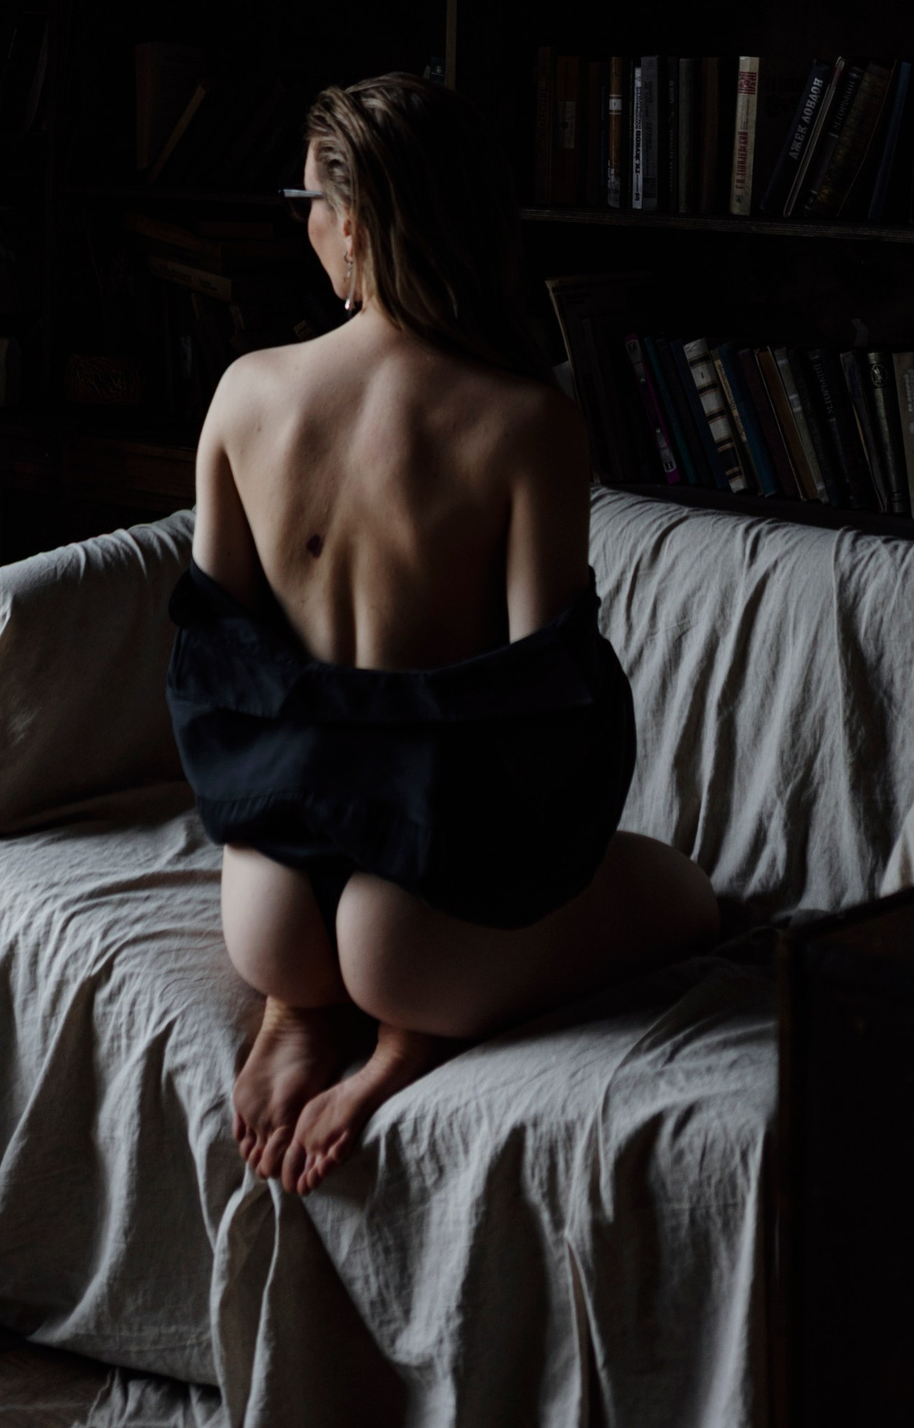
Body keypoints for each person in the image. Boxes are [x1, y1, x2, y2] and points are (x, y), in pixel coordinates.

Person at [167, 72, 717, 1198]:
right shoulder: (529, 422)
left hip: (273, 901)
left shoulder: (245, 393)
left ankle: (296, 1011)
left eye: (310, 203)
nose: (304, 228)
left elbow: (215, 672)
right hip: (416, 921)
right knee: (688, 894)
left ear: (358, 223)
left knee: (323, 922)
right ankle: (403, 1040)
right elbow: (549, 714)